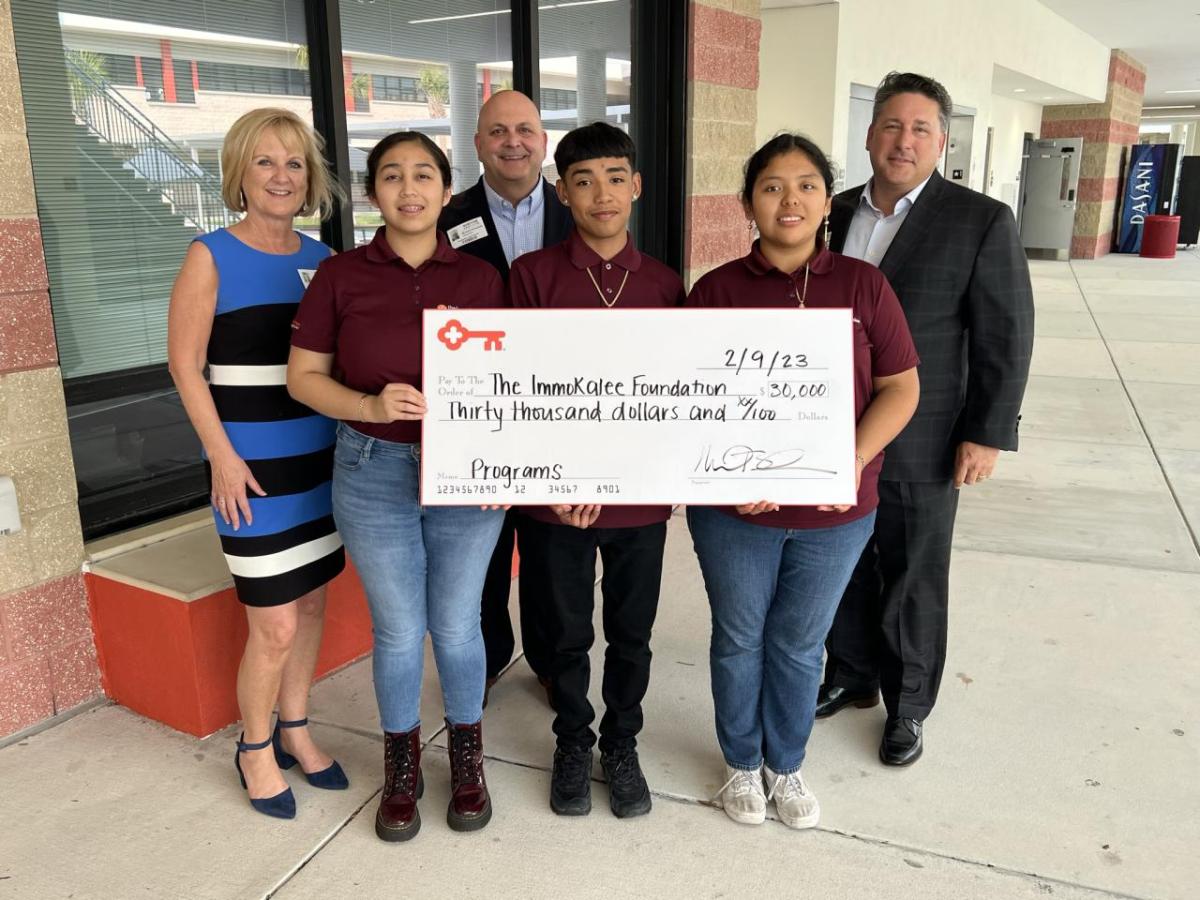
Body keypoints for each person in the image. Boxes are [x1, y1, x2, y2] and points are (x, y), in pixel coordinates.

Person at [686, 134, 920, 829]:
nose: (790, 200)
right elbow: (685, 399)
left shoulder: (862, 285)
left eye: (807, 185)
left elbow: (901, 387)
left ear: (827, 199)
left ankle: (784, 765)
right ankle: (739, 763)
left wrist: (849, 460)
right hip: (735, 511)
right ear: (748, 203)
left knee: (798, 642)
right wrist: (731, 473)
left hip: (835, 511)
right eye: (772, 187)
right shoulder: (716, 291)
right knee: (738, 636)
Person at [287, 132, 505, 842]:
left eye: (423, 176)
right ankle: (403, 761)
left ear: (447, 192)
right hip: (371, 467)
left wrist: (509, 461)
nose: (408, 189)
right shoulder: (340, 276)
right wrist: (371, 406)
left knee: (457, 622)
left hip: (466, 471)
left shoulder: (479, 279)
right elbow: (304, 377)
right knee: (400, 629)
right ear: (372, 193)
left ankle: (467, 758)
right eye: (391, 176)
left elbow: (513, 383)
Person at [820, 72, 1034, 767]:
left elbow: (1005, 332)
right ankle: (850, 673)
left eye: (919, 128)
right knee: (843, 561)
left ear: (942, 140)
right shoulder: (835, 210)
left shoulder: (980, 219)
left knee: (912, 577)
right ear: (869, 133)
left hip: (927, 435)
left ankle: (908, 704)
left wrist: (988, 431)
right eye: (890, 125)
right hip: (831, 432)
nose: (902, 140)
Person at [167, 108, 348, 821]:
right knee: (272, 623)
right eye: (266, 161)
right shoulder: (210, 255)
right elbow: (185, 366)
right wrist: (220, 457)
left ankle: (298, 729)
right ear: (239, 173)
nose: (282, 175)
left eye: (295, 163)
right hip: (250, 475)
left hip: (320, 467)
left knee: (309, 604)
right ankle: (254, 746)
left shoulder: (324, 260)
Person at [508, 122, 685, 818]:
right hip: (559, 500)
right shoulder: (533, 277)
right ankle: (574, 741)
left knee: (633, 631)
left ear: (636, 186)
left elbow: (679, 395)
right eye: (582, 180)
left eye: (615, 177)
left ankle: (623, 741)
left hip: (640, 500)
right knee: (566, 631)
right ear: (562, 192)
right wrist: (554, 482)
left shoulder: (668, 285)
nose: (601, 193)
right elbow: (517, 388)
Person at [439, 90, 573, 701]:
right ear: (477, 145)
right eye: (498, 131)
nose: (512, 141)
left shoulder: (581, 207)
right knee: (483, 549)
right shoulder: (447, 216)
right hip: (479, 413)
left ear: (543, 140)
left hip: (559, 406)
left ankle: (548, 656)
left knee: (549, 549)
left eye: (524, 129)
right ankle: (489, 653)